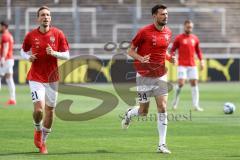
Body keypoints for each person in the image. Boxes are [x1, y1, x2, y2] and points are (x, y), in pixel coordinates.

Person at [121, 4, 175, 154]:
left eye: (166, 14)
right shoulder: (144, 32)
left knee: (163, 107)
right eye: (162, 14)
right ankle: (130, 113)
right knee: (143, 111)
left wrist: (170, 58)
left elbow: (163, 51)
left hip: (160, 75)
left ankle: (161, 145)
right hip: (144, 76)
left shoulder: (168, 32)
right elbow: (130, 50)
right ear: (154, 16)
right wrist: (140, 58)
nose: (166, 16)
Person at [20, 6, 70, 154]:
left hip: (52, 79)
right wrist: (27, 57)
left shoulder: (58, 34)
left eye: (48, 15)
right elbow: (22, 51)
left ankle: (43, 142)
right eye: (42, 15)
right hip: (36, 77)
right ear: (38, 18)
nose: (45, 17)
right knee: (39, 110)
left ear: (50, 18)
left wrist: (54, 53)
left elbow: (67, 55)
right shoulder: (31, 35)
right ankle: (37, 129)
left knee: (50, 111)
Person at [171, 20, 204, 111]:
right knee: (181, 83)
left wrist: (201, 61)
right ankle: (175, 102)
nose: (189, 28)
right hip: (182, 65)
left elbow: (198, 51)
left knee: (194, 83)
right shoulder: (179, 38)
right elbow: (173, 49)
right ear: (184, 27)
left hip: (192, 65)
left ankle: (196, 105)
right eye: (188, 27)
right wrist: (173, 57)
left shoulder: (195, 38)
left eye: (191, 27)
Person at [0, 20, 16, 105]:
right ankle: (13, 99)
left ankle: (13, 99)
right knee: (9, 79)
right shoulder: (10, 35)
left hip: (6, 60)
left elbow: (6, 48)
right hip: (10, 59)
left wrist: (2, 58)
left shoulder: (5, 36)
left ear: (3, 27)